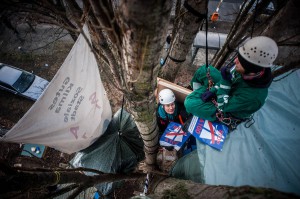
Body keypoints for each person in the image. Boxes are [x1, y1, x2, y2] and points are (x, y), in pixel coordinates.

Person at [184, 36, 278, 128]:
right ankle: (199, 96)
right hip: (229, 90)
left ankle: (197, 105)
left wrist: (224, 83)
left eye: (240, 62)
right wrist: (213, 90)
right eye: (238, 58)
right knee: (204, 70)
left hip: (227, 109)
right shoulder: (248, 71)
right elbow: (229, 79)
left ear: (250, 70)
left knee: (189, 103)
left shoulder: (253, 97)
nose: (236, 61)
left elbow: (223, 106)